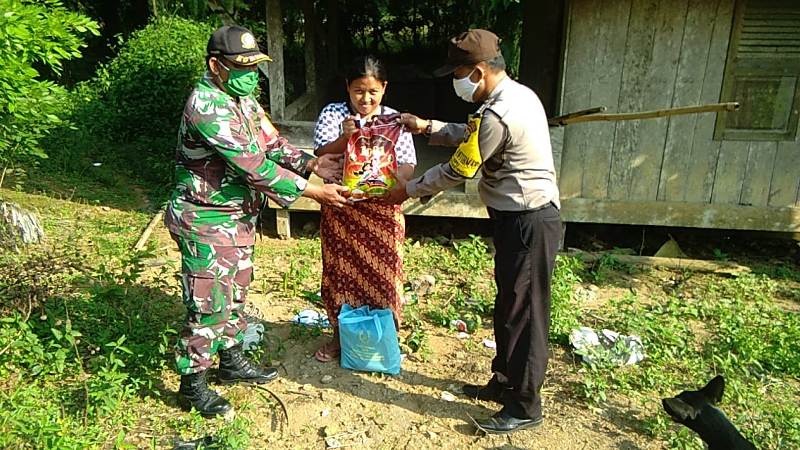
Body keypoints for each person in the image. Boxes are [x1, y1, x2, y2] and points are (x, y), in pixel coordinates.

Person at [164, 25, 348, 418]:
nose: (251, 75)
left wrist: (314, 163)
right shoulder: (207, 105)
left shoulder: (242, 98)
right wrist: (314, 191)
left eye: (255, 67)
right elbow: (254, 166)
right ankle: (192, 384)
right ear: (216, 66)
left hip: (237, 218)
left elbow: (271, 144)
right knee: (209, 304)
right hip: (206, 219)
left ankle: (230, 362)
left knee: (236, 293)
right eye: (241, 66)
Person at [385, 29, 562, 434]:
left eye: (459, 73)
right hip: (514, 218)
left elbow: (460, 168)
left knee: (526, 313)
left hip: (529, 220)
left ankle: (525, 404)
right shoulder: (513, 96)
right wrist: (427, 127)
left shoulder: (500, 112)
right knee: (509, 304)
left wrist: (407, 189)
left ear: (479, 71)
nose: (456, 82)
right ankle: (504, 381)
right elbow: (471, 135)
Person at [311, 56, 417, 363]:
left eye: (372, 91)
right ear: (348, 88)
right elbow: (321, 152)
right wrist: (345, 137)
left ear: (384, 88)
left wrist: (399, 182)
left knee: (385, 274)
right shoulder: (334, 113)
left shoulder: (396, 120)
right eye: (358, 91)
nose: (365, 99)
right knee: (340, 272)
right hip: (342, 205)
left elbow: (408, 161)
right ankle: (340, 338)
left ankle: (385, 338)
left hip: (382, 209)